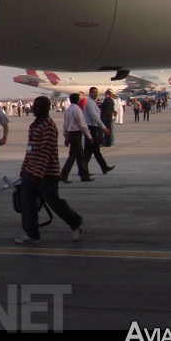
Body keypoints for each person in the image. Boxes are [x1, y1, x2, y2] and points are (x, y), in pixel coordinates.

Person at [16, 96, 83, 244]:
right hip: (30, 171)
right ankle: (32, 233)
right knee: (27, 202)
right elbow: (30, 149)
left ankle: (75, 223)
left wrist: (38, 174)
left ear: (45, 109)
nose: (35, 109)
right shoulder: (34, 126)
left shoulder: (49, 127)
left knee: (54, 202)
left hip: (46, 173)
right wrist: (24, 168)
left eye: (38, 107)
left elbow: (45, 153)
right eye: (35, 106)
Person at [60, 93, 93, 182]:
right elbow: (82, 124)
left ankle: (84, 176)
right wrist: (89, 136)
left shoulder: (67, 110)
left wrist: (66, 137)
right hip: (76, 134)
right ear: (78, 100)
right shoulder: (77, 109)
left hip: (70, 134)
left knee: (80, 156)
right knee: (73, 156)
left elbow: (65, 125)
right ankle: (63, 175)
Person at [82, 88, 114, 175]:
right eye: (93, 92)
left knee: (93, 150)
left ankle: (103, 168)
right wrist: (103, 127)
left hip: (93, 127)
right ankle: (83, 170)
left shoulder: (93, 102)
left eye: (96, 92)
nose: (95, 94)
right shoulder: (90, 103)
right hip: (90, 128)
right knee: (92, 150)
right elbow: (95, 117)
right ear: (89, 93)